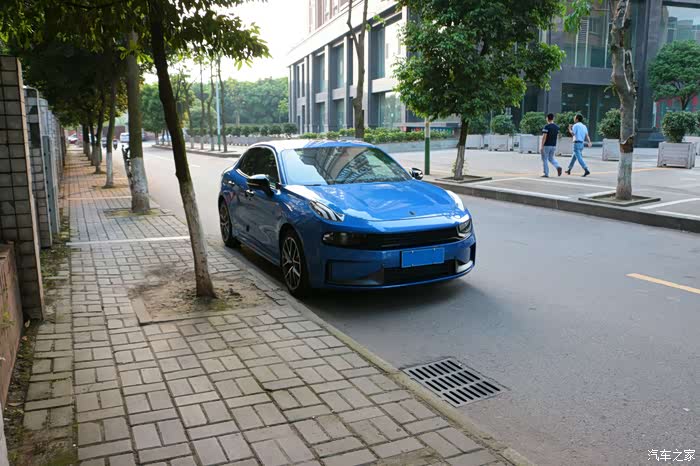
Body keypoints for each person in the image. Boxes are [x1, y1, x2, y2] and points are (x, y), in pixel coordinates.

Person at [540, 113, 562, 177]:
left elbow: (544, 137)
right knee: (551, 158)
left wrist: (541, 146)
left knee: (545, 159)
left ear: (547, 118)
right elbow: (559, 136)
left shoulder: (546, 127)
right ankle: (558, 166)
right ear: (553, 118)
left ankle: (546, 173)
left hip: (547, 145)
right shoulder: (557, 127)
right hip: (553, 145)